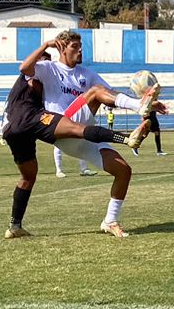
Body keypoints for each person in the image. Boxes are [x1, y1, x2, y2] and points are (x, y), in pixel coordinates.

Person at [28, 31, 166, 237]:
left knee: (123, 171)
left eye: (80, 46)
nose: (80, 50)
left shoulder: (87, 74)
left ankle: (110, 221)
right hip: (62, 128)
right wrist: (45, 45)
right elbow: (24, 68)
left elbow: (112, 96)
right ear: (62, 48)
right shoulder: (49, 68)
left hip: (84, 137)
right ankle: (138, 109)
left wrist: (150, 105)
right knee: (95, 91)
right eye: (75, 46)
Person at [0, 64, 131, 239]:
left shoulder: (33, 90)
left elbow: (107, 92)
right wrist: (125, 138)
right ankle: (126, 138)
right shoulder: (30, 83)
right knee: (77, 128)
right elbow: (27, 69)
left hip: (15, 130)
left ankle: (14, 226)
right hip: (29, 121)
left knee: (28, 176)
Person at [129, 90, 166, 156]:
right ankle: (135, 146)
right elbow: (145, 108)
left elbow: (155, 108)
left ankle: (159, 151)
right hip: (149, 118)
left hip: (154, 118)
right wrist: (143, 119)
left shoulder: (154, 100)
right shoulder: (148, 100)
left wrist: (161, 111)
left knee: (155, 133)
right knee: (146, 134)